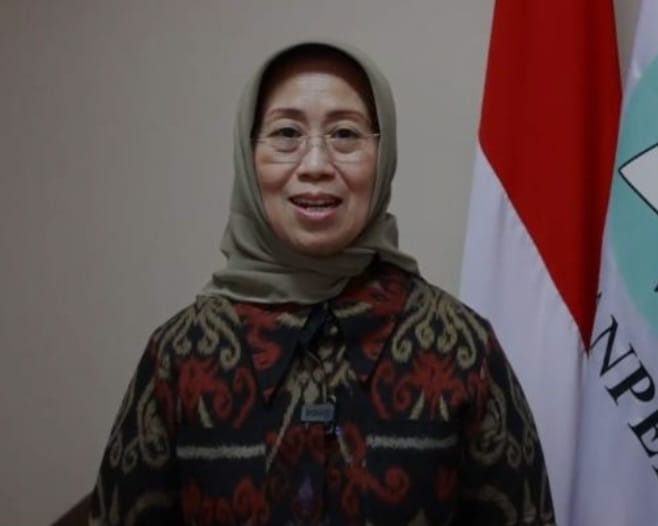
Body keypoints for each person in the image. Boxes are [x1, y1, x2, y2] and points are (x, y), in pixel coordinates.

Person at [89, 41, 556, 526]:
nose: (315, 164)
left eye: (345, 134)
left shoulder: (461, 348)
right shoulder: (179, 355)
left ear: (383, 156)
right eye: (286, 133)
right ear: (248, 155)